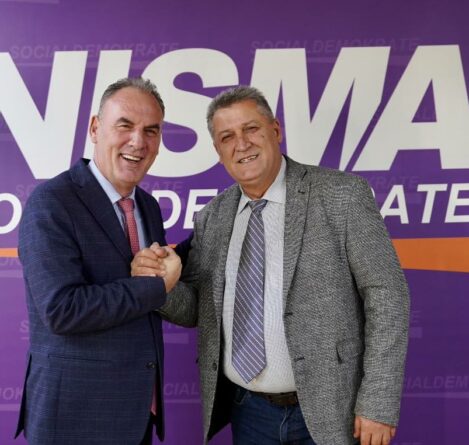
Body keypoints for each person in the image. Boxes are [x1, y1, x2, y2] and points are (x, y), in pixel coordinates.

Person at [132, 86, 410, 445]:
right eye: (227, 137)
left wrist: (378, 403)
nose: (241, 144)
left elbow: (387, 296)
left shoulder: (342, 195)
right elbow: (199, 311)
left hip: (332, 410)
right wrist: (163, 285)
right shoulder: (212, 217)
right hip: (249, 412)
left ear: (275, 131)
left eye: (251, 129)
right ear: (218, 151)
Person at [15, 77, 183, 445]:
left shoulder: (148, 207)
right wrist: (155, 287)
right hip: (74, 420)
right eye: (125, 125)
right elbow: (62, 310)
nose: (138, 141)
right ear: (95, 128)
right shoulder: (51, 203)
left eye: (151, 130)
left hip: (137, 415)